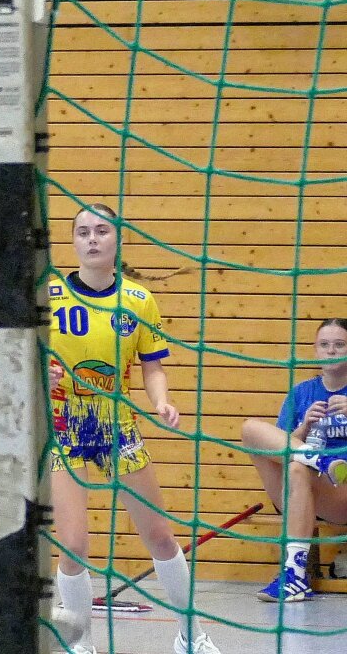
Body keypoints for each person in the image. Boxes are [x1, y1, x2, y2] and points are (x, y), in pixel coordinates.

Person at [49, 203, 221, 654]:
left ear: (116, 239)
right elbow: (21, 357)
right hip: (63, 426)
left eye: (101, 230)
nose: (91, 239)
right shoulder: (47, 294)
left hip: (117, 425)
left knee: (160, 535)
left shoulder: (139, 301)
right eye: (82, 231)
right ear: (73, 241)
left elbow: (152, 366)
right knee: (72, 544)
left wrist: (161, 400)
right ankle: (79, 644)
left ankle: (191, 633)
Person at [240, 318, 347, 602]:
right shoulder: (302, 392)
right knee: (250, 429)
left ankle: (294, 575)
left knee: (298, 467)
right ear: (315, 350)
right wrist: (304, 430)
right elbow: (278, 446)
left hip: (340, 493)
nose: (331, 351)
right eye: (324, 345)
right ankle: (313, 457)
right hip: (295, 487)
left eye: (339, 345)